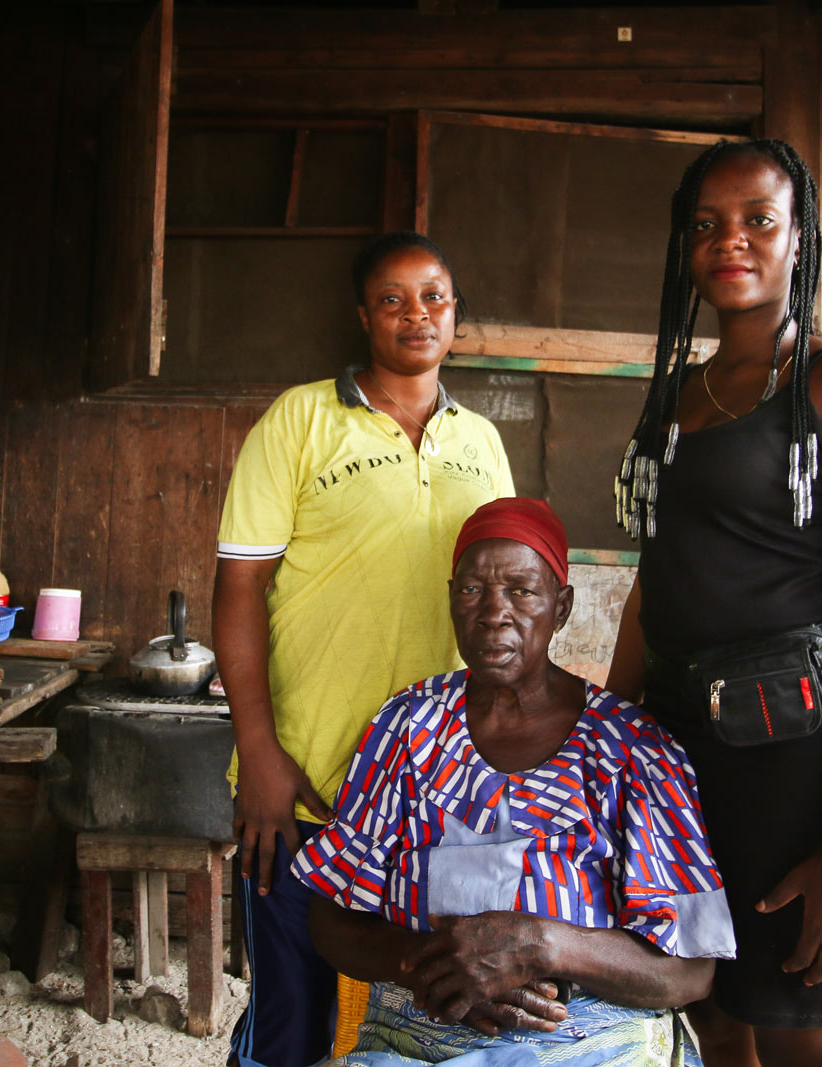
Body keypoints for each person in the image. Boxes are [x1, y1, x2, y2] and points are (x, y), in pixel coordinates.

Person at [605, 139, 822, 1067]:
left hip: (792, 766)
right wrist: (608, 745)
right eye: (706, 224)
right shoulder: (671, 398)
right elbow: (649, 590)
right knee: (713, 1020)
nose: (728, 240)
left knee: (803, 1035)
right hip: (676, 762)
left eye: (757, 221)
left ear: (799, 240)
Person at [293, 497, 735, 1067]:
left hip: (591, 1047)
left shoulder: (631, 749)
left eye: (522, 591)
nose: (493, 612)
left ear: (562, 606)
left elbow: (693, 971)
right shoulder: (406, 726)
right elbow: (331, 918)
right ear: (452, 599)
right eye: (472, 589)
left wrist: (543, 944)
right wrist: (442, 967)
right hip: (418, 1038)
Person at [214, 232, 515, 1067]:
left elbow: (506, 601)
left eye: (434, 296)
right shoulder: (301, 420)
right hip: (305, 787)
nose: (416, 313)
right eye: (393, 298)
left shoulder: (481, 442)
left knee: (415, 1015)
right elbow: (237, 593)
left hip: (431, 794)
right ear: (363, 316)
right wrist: (258, 750)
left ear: (455, 314)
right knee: (293, 1023)